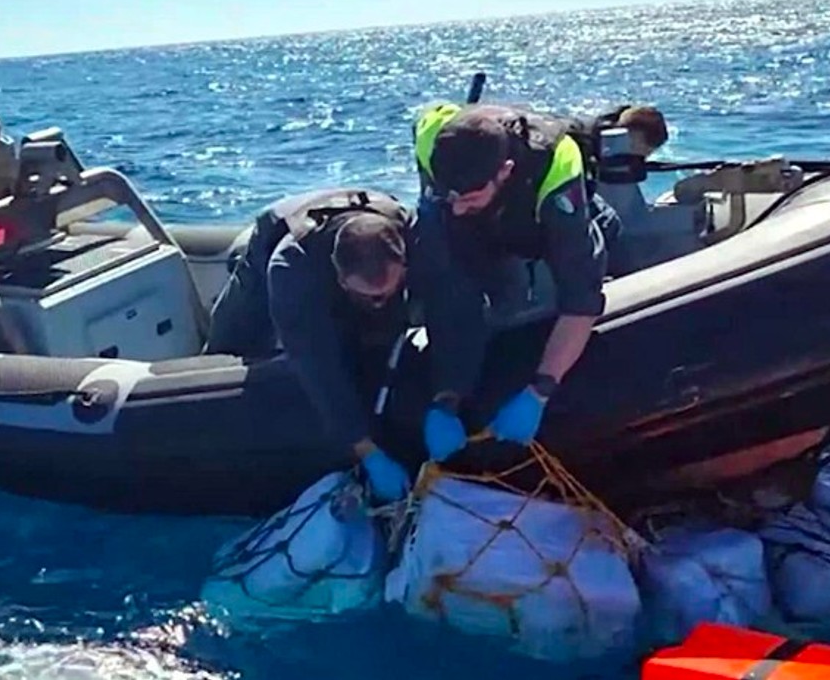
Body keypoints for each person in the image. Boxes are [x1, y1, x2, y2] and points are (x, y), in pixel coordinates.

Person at [409, 101, 635, 461]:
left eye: (468, 198)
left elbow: (581, 299)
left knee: (590, 258)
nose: (458, 207)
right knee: (445, 263)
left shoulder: (557, 165)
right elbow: (447, 291)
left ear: (504, 172)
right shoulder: (432, 138)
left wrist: (539, 393)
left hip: (537, 213)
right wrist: (446, 397)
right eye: (451, 196)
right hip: (481, 215)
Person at [204, 188, 416, 502]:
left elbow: (453, 313)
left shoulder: (415, 236)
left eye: (386, 292)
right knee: (230, 341)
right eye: (370, 296)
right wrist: (367, 451)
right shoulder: (291, 268)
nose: (379, 303)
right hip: (278, 235)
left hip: (369, 214)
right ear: (340, 279)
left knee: (380, 333)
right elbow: (318, 365)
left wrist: (447, 397)